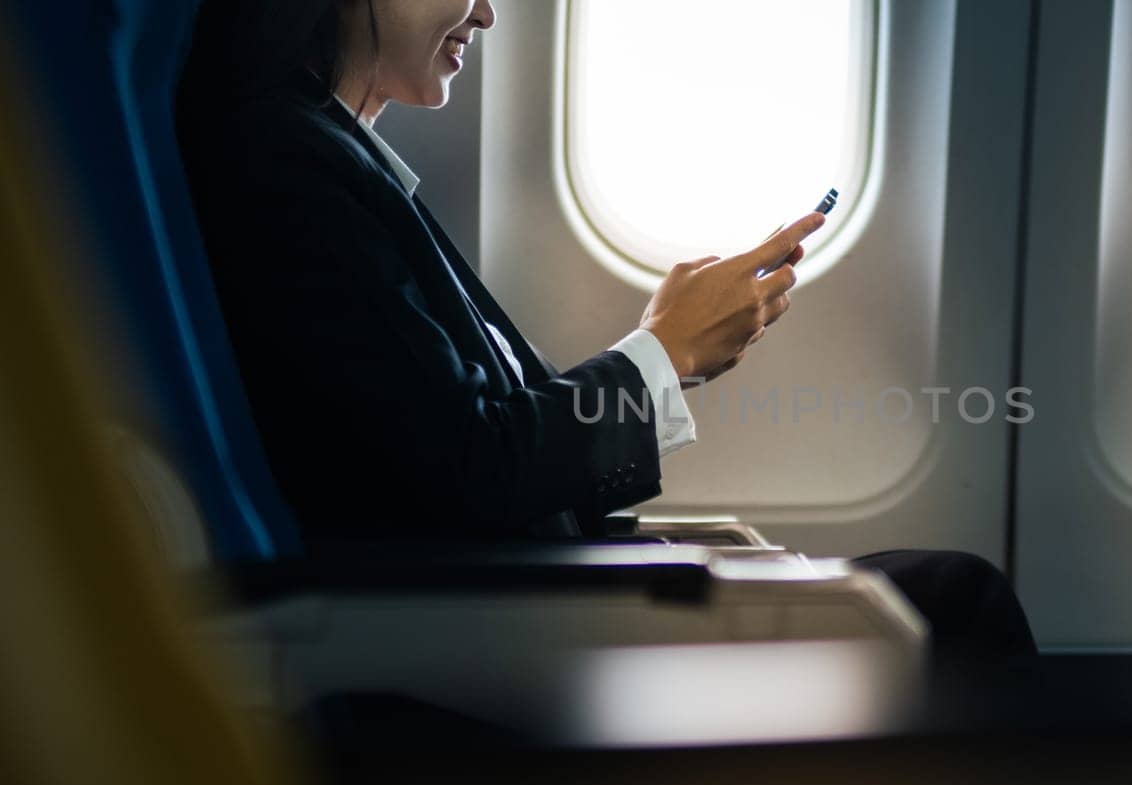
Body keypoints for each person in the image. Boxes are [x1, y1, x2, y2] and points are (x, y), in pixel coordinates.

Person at [177, 0, 1034, 659]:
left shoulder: (337, 153)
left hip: (536, 590)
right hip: (492, 630)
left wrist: (672, 355)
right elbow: (475, 467)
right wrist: (664, 352)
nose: (486, 12)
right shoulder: (283, 163)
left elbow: (468, 444)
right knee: (963, 602)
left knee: (952, 594)